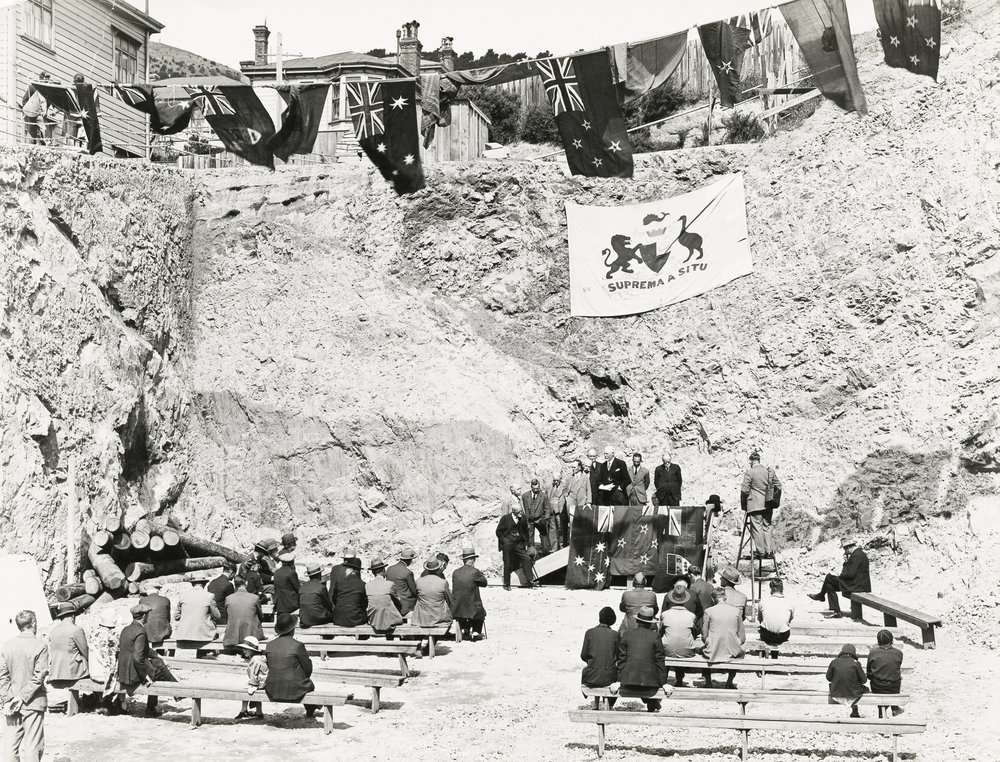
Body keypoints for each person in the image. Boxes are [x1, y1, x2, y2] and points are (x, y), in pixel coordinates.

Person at [0, 610, 48, 761]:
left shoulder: (6, 646)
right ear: (33, 624)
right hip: (32, 702)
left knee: (9, 747)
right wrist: (22, 697)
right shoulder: (40, 645)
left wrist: (9, 699)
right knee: (33, 747)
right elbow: (38, 677)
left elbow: (2, 676)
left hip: (12, 704)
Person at [118, 603, 176, 717]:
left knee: (159, 663)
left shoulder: (126, 629)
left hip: (124, 671)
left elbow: (143, 648)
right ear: (144, 616)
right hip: (133, 674)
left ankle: (176, 691)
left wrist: (157, 655)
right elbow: (137, 657)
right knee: (159, 673)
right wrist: (146, 676)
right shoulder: (141, 631)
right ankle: (152, 707)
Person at [616, 606, 669, 712]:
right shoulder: (655, 636)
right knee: (647, 682)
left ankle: (653, 703)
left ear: (637, 620)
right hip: (649, 683)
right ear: (650, 623)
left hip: (628, 681)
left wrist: (619, 680)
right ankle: (653, 703)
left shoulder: (627, 635)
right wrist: (664, 683)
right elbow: (660, 660)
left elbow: (621, 659)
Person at [809, 538, 872, 619]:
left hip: (857, 585)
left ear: (848, 548)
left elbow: (850, 574)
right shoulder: (858, 554)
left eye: (845, 549)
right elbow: (851, 572)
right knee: (829, 586)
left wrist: (839, 574)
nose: (845, 552)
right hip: (857, 583)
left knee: (829, 577)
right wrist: (845, 562)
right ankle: (836, 611)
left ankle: (821, 595)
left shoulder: (856, 556)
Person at [264, 614, 315, 707]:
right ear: (292, 629)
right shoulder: (298, 645)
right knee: (310, 685)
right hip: (294, 690)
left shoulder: (269, 645)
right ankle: (310, 710)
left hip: (273, 689)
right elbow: (308, 668)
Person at [740, 451, 782, 559]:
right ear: (759, 460)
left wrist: (744, 505)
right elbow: (779, 486)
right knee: (766, 526)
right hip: (768, 504)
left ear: (751, 461)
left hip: (755, 504)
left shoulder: (750, 473)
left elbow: (744, 490)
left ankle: (761, 551)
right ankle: (769, 551)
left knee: (757, 528)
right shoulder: (769, 471)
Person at [702, 587, 745, 689]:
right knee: (737, 652)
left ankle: (708, 682)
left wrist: (708, 641)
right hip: (732, 650)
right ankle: (729, 681)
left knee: (702, 652)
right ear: (725, 597)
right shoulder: (736, 611)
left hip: (714, 650)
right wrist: (737, 642)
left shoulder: (708, 611)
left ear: (713, 599)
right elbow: (742, 637)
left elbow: (704, 635)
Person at [580, 607, 619, 704]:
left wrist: (593, 662)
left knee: (595, 666)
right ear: (612, 620)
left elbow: (583, 655)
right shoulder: (616, 635)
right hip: (609, 676)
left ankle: (596, 703)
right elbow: (619, 656)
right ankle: (609, 705)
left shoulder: (589, 632)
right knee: (613, 673)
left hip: (591, 676)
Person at [659, 596, 699, 687]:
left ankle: (664, 678)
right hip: (686, 650)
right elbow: (695, 632)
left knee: (667, 645)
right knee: (682, 645)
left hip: (667, 649)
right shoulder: (691, 615)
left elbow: (660, 631)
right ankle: (679, 679)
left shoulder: (665, 614)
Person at [88, 609, 121, 715]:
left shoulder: (94, 633)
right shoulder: (110, 636)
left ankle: (102, 701)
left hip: (93, 672)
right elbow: (110, 660)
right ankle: (113, 702)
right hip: (103, 675)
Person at [451, 547, 487, 640]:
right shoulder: (475, 571)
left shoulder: (455, 572)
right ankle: (475, 631)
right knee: (480, 613)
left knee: (463, 610)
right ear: (472, 560)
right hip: (472, 607)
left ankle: (465, 629)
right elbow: (484, 583)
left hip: (457, 607)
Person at [496, 503, 535, 590]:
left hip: (518, 543)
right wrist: (504, 541)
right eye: (519, 511)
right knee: (508, 563)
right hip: (508, 543)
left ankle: (530, 580)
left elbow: (525, 531)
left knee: (527, 559)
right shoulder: (505, 518)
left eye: (521, 510)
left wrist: (525, 542)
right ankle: (506, 584)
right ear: (513, 511)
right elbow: (498, 531)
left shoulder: (523, 518)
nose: (521, 512)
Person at [47, 609, 89, 687]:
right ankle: (100, 698)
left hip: (57, 671)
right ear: (73, 616)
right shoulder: (76, 629)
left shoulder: (53, 631)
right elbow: (85, 651)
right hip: (72, 671)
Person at [867, 630, 904, 716]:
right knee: (895, 676)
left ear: (878, 641)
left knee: (877, 679)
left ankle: (882, 712)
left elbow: (869, 672)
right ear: (891, 640)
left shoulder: (873, 653)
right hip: (893, 687)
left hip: (877, 686)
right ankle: (894, 707)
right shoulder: (898, 653)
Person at [174, 578, 221, 644]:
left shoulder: (183, 595)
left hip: (184, 634)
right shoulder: (210, 596)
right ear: (204, 584)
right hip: (203, 635)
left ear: (192, 584)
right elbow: (217, 616)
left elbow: (176, 617)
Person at [827, 643, 868, 717]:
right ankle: (855, 710)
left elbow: (828, 678)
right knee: (863, 689)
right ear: (853, 653)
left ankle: (855, 711)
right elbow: (864, 680)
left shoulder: (834, 662)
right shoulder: (856, 663)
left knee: (847, 686)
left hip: (836, 693)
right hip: (852, 693)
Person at [223, 577, 265, 648]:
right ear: (246, 583)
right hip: (251, 633)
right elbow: (261, 616)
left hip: (232, 635)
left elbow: (227, 616)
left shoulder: (228, 598)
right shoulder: (254, 598)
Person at [411, 558, 454, 627]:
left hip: (422, 619)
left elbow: (416, 596)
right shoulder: (443, 582)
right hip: (439, 618)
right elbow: (449, 600)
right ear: (438, 568)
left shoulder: (419, 582)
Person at [758, 579, 794, 658]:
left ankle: (764, 655)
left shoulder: (763, 601)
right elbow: (789, 620)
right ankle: (774, 656)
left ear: (770, 588)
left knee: (762, 627)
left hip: (767, 635)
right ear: (782, 589)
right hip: (782, 635)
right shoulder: (789, 603)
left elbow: (760, 619)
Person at [366, 557, 403, 632]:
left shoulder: (367, 586)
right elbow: (398, 603)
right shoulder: (390, 585)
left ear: (373, 572)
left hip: (374, 621)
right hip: (389, 621)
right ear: (383, 570)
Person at [235, 636, 267, 720]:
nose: (244, 651)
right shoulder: (257, 657)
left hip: (262, 683)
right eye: (243, 649)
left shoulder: (256, 660)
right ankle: (258, 711)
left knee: (246, 686)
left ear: (252, 650)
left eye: (246, 649)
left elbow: (254, 676)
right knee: (249, 684)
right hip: (263, 681)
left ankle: (243, 710)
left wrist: (252, 685)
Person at [330, 557, 368, 627]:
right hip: (355, 620)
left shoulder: (339, 582)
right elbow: (365, 604)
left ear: (349, 569)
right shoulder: (363, 584)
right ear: (359, 570)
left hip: (338, 619)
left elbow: (334, 599)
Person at [20, 71, 52, 145]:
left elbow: (48, 102)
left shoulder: (47, 90)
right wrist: (28, 110)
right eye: (46, 78)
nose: (47, 80)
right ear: (41, 78)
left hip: (40, 113)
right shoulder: (33, 87)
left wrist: (45, 111)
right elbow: (24, 99)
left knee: (43, 128)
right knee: (32, 130)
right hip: (31, 112)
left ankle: (45, 143)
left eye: (48, 78)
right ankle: (30, 145)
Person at [298, 563, 334, 629]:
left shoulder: (302, 587)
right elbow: (328, 605)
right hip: (318, 619)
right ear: (319, 575)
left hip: (305, 619)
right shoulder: (321, 587)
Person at [564, 459, 592, 541]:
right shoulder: (569, 477)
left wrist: (589, 502)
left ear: (579, 468)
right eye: (572, 467)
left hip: (581, 502)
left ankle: (581, 540)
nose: (572, 469)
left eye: (574, 467)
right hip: (571, 501)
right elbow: (564, 489)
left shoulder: (585, 477)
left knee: (581, 522)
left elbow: (588, 490)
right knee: (572, 521)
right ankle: (573, 540)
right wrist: (567, 497)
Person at [521, 479, 551, 555]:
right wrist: (525, 519)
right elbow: (523, 508)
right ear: (531, 487)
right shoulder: (525, 496)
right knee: (530, 537)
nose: (536, 490)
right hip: (529, 520)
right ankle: (532, 554)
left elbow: (547, 509)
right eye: (534, 489)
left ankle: (545, 552)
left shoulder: (543, 496)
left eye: (537, 488)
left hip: (540, 519)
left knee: (544, 535)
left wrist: (545, 520)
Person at [385, 549, 418, 616]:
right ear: (410, 560)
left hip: (392, 604)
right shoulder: (408, 573)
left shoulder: (389, 569)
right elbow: (414, 591)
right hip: (405, 606)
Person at [547, 474, 567, 551]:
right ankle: (554, 547)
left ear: (560, 479)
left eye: (557, 480)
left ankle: (562, 545)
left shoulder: (564, 486)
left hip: (560, 511)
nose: (555, 482)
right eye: (554, 480)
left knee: (561, 528)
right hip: (551, 511)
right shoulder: (549, 487)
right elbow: (547, 497)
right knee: (552, 529)